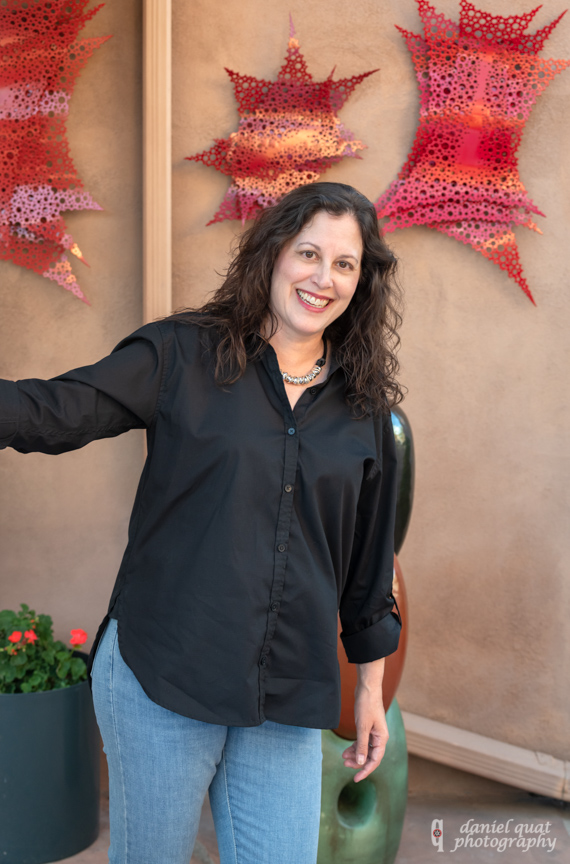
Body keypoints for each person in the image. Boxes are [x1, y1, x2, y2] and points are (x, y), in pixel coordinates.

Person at [0, 181, 404, 864]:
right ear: (273, 252)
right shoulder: (182, 355)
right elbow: (55, 412)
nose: (322, 278)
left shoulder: (365, 408)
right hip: (165, 673)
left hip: (287, 693)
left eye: (344, 264)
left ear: (362, 283)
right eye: (309, 253)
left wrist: (369, 693)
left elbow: (367, 569)